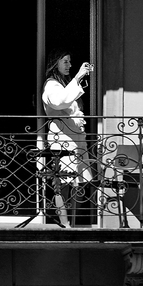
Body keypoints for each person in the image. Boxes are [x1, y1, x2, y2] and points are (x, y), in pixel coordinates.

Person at [41, 48, 93, 226]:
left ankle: (75, 222)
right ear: (56, 62)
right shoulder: (51, 85)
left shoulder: (64, 84)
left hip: (76, 140)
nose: (69, 65)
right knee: (62, 183)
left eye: (71, 62)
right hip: (62, 141)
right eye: (66, 61)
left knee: (78, 182)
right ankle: (65, 223)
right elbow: (59, 102)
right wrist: (78, 77)